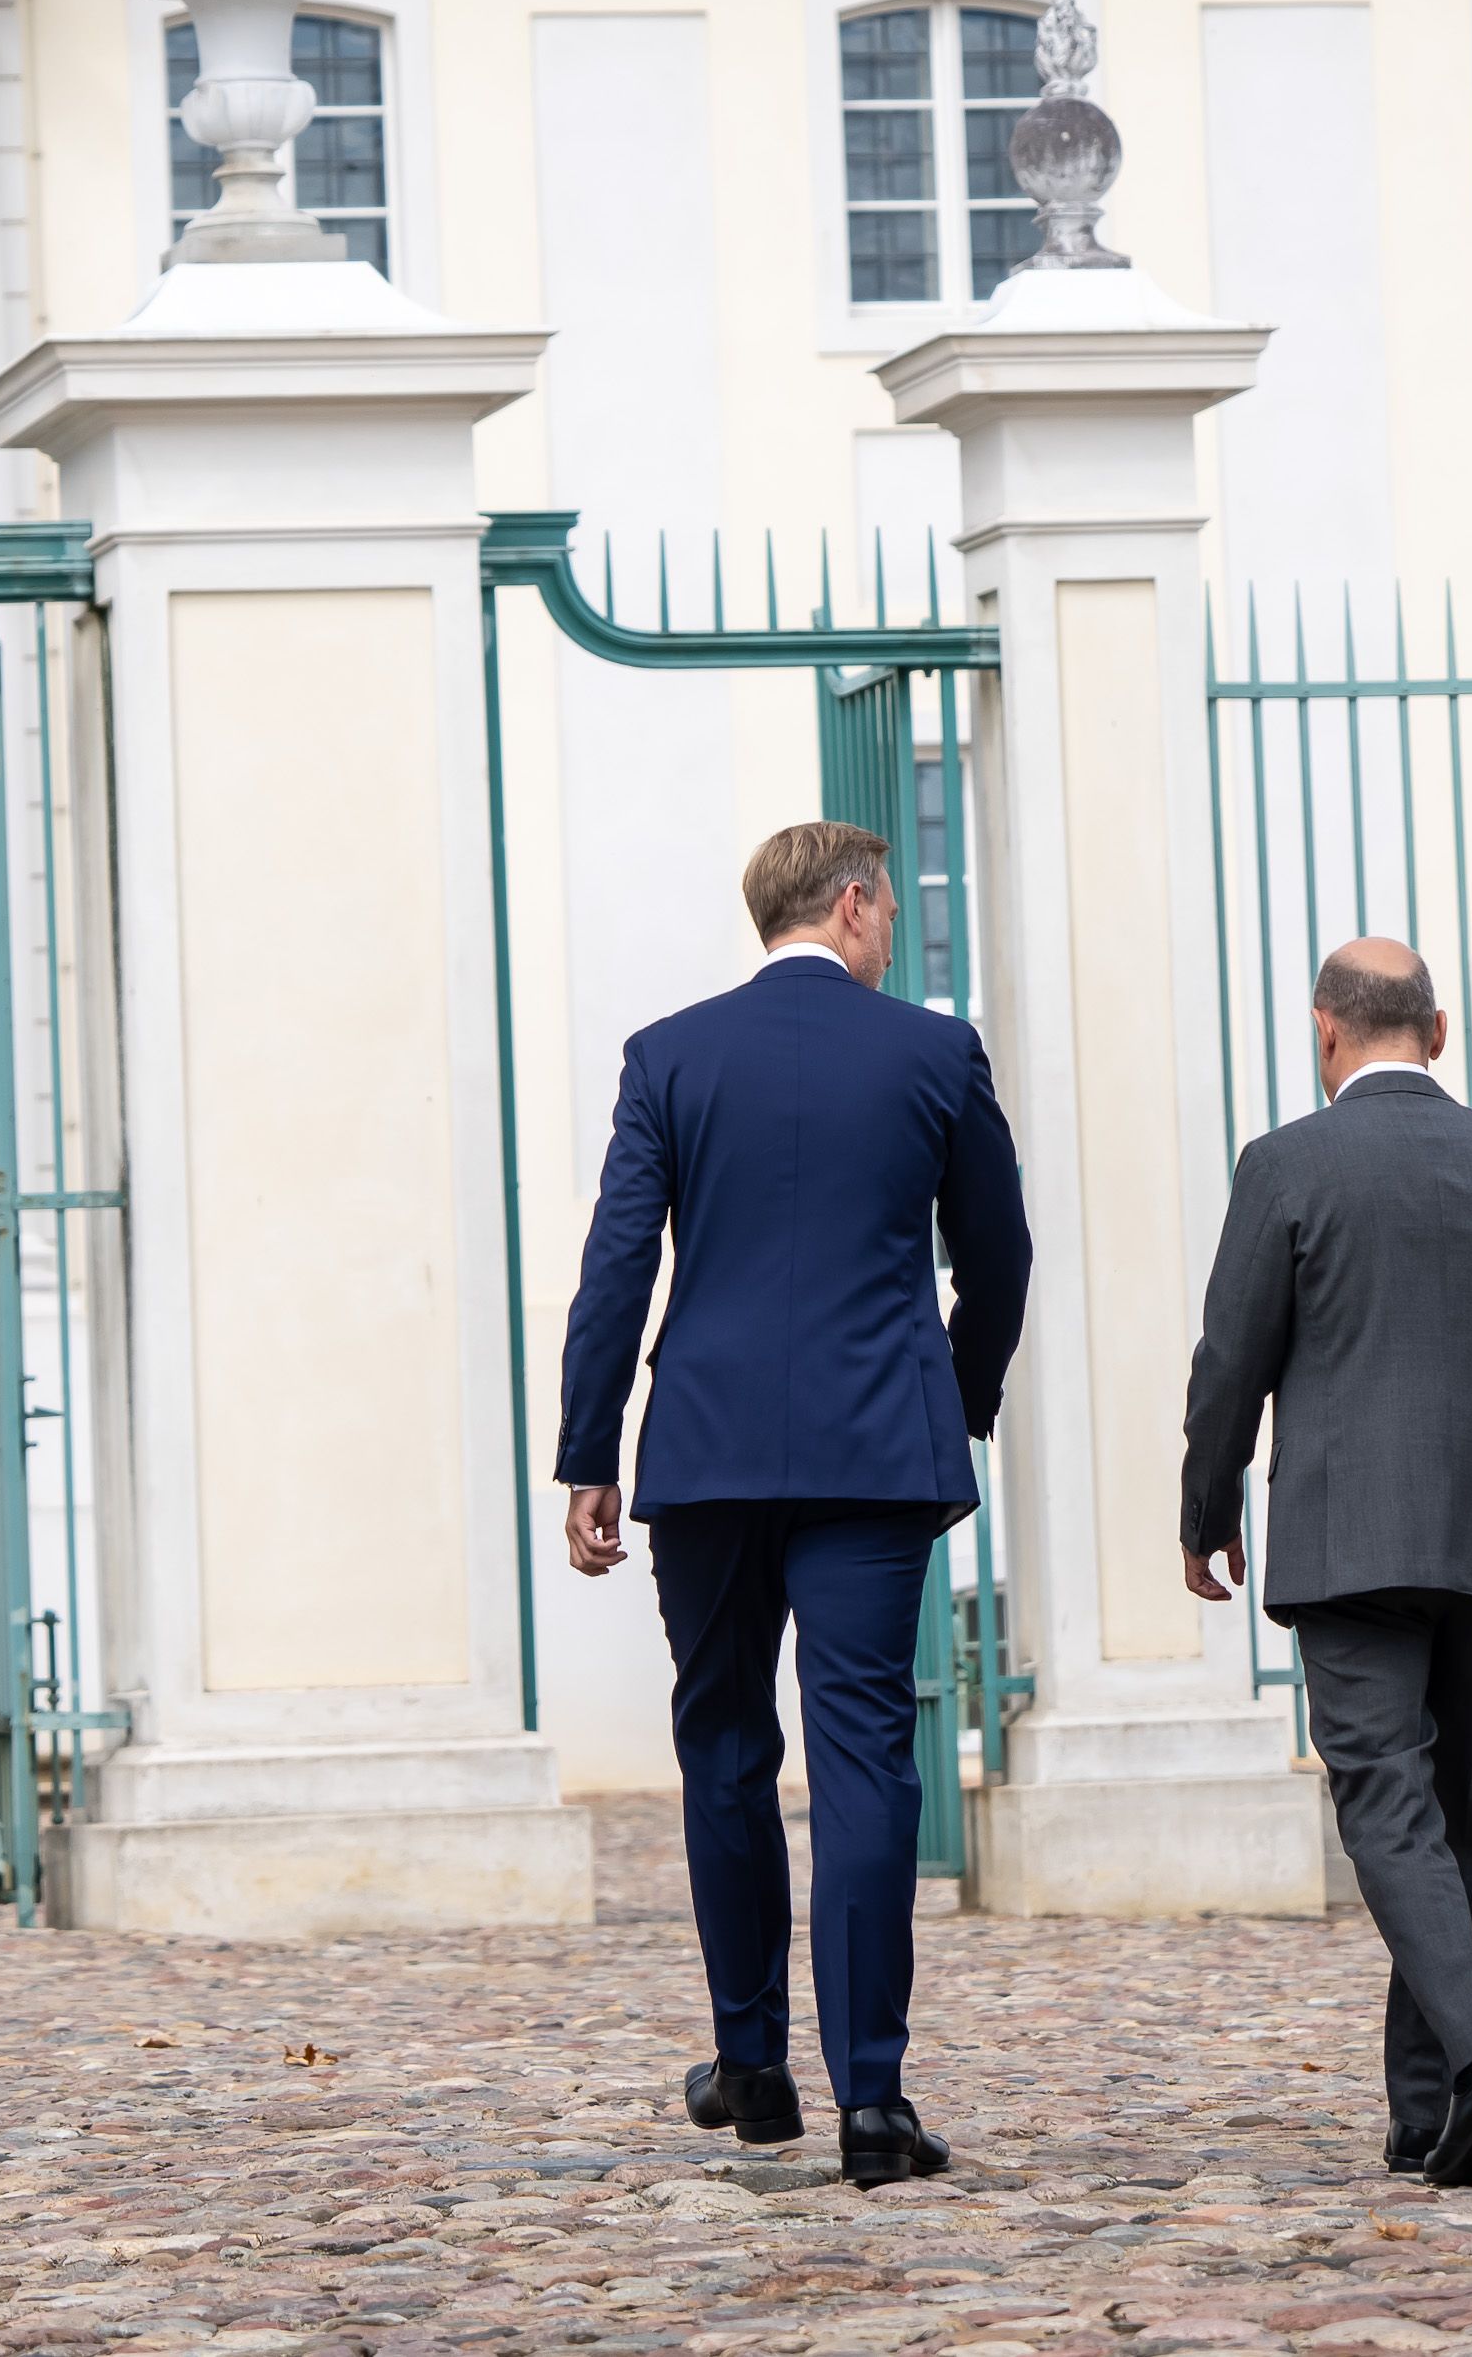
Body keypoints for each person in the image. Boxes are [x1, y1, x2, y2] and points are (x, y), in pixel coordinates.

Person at [554, 818, 1036, 2190]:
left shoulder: (670, 1054)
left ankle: (751, 2060)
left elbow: (616, 1266)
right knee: (865, 1754)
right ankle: (872, 2099)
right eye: (889, 914)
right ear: (856, 904)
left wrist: (591, 1449)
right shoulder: (935, 1052)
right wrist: (957, 1397)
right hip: (875, 1450)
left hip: (706, 1453)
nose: (892, 938)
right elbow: (997, 1255)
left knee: (721, 1738)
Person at [1176, 937, 1472, 2192]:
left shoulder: (1284, 1165)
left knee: (1387, 1806)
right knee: (1456, 1823)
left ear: (1325, 1029)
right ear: (1439, 1031)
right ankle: (1427, 2112)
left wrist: (1206, 1506)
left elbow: (1230, 1360)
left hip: (1349, 1540)